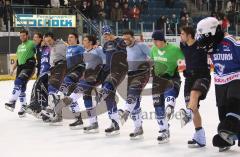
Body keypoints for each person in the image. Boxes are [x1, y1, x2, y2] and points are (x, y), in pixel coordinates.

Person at [196, 17, 240, 152]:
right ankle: (229, 138)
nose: (206, 43)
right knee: (222, 112)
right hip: (220, 81)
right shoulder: (211, 46)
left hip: (236, 78)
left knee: (234, 106)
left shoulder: (232, 43)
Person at [52, 35, 105, 133]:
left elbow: (105, 60)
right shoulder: (85, 52)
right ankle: (93, 123)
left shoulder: (98, 49)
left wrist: (99, 47)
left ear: (90, 42)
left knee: (76, 93)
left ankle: (68, 99)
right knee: (86, 98)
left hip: (95, 77)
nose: (83, 42)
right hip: (87, 77)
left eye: (85, 40)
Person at [178, 26, 211, 148]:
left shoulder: (202, 45)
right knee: (194, 107)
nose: (180, 36)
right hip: (189, 79)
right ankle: (200, 136)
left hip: (203, 77)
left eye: (182, 34)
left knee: (194, 94)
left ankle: (188, 114)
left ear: (189, 35)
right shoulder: (183, 46)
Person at [150, 30, 184, 143]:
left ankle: (170, 107)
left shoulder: (175, 50)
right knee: (158, 107)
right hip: (157, 80)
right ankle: (164, 130)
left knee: (169, 97)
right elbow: (151, 62)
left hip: (171, 78)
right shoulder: (153, 49)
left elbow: (184, 62)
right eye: (153, 40)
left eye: (156, 40)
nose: (154, 43)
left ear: (162, 40)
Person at [118, 30, 150, 140]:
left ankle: (126, 111)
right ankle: (138, 127)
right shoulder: (125, 46)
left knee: (132, 94)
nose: (126, 40)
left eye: (128, 38)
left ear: (133, 37)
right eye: (124, 39)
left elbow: (152, 55)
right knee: (134, 101)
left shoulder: (141, 45)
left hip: (142, 73)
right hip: (131, 74)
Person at [47, 33, 85, 125]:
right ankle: (78, 119)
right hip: (69, 72)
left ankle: (58, 96)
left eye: (71, 37)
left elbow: (88, 54)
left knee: (66, 84)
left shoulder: (80, 48)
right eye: (68, 37)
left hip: (77, 72)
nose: (69, 39)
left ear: (76, 39)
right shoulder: (67, 48)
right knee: (70, 98)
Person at [96, 25, 128, 136]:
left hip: (118, 70)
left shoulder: (119, 42)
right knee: (109, 98)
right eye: (104, 35)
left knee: (108, 86)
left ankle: (103, 91)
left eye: (107, 34)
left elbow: (124, 54)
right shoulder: (105, 45)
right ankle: (114, 123)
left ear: (110, 33)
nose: (105, 37)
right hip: (107, 70)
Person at [5, 30, 36, 117]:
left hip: (28, 66)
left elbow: (38, 51)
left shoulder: (31, 43)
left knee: (18, 82)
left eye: (23, 35)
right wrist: (12, 69)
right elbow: (18, 59)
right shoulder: (19, 46)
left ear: (27, 36)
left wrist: (35, 67)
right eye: (21, 36)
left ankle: (12, 102)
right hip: (20, 68)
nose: (22, 37)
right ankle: (23, 107)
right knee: (21, 89)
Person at [26, 33, 51, 117]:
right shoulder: (37, 47)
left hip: (47, 72)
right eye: (33, 37)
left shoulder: (47, 47)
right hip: (41, 72)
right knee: (43, 91)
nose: (34, 39)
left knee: (37, 88)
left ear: (41, 39)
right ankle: (43, 109)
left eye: (36, 37)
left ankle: (35, 106)